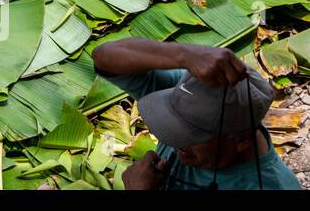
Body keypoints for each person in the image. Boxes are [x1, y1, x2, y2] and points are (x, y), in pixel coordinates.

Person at [92, 38, 300, 190]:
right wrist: (186, 55)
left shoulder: (271, 186)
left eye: (189, 134)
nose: (173, 141)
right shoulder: (190, 92)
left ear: (242, 140)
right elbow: (103, 57)